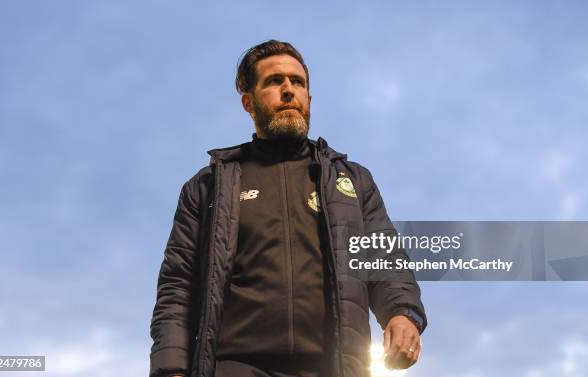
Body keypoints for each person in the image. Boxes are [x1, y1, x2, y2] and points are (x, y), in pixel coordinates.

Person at [149, 40, 427, 377]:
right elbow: (177, 287)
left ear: (309, 99)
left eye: (297, 82)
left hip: (334, 368)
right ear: (248, 102)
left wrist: (402, 313)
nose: (288, 90)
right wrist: (170, 370)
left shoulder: (353, 182)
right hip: (236, 366)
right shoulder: (208, 187)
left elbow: (384, 262)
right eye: (274, 81)